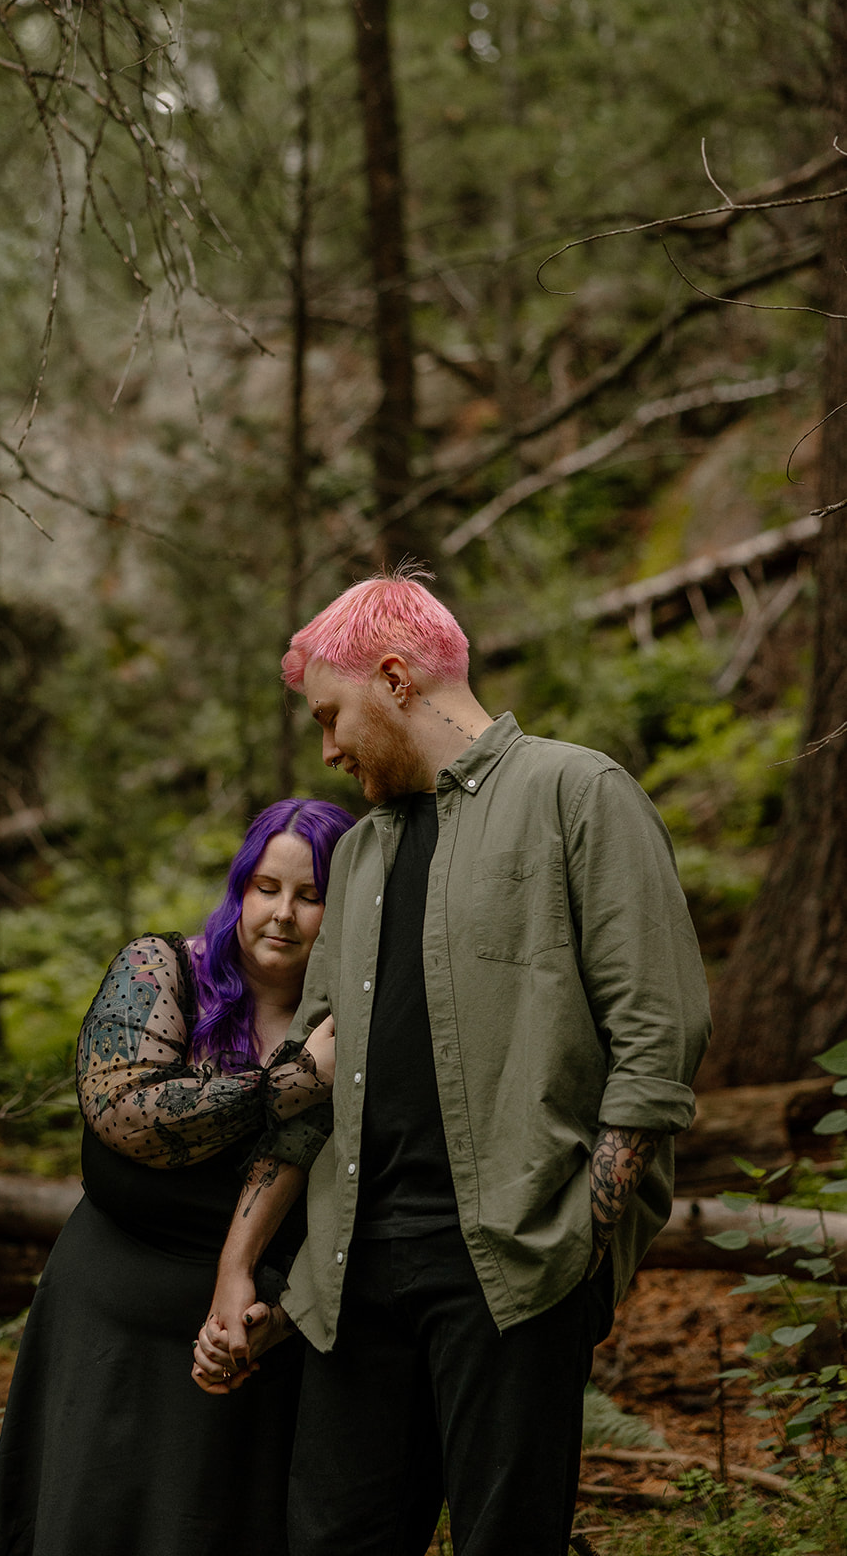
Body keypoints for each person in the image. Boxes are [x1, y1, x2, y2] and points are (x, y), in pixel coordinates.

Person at [194, 572, 711, 1556]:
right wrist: (239, 1266)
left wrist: (576, 1249)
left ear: (393, 677)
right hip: (351, 1277)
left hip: (510, 1272)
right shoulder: (356, 861)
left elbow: (656, 1038)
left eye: (331, 716)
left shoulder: (577, 793)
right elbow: (305, 1089)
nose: (328, 749)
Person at [0, 797, 354, 1556]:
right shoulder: (164, 970)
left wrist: (272, 1315)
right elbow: (123, 1113)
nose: (282, 914)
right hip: (105, 1328)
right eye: (265, 888)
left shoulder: (351, 1021)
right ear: (238, 890)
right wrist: (291, 1082)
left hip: (249, 1346)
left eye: (310, 896)